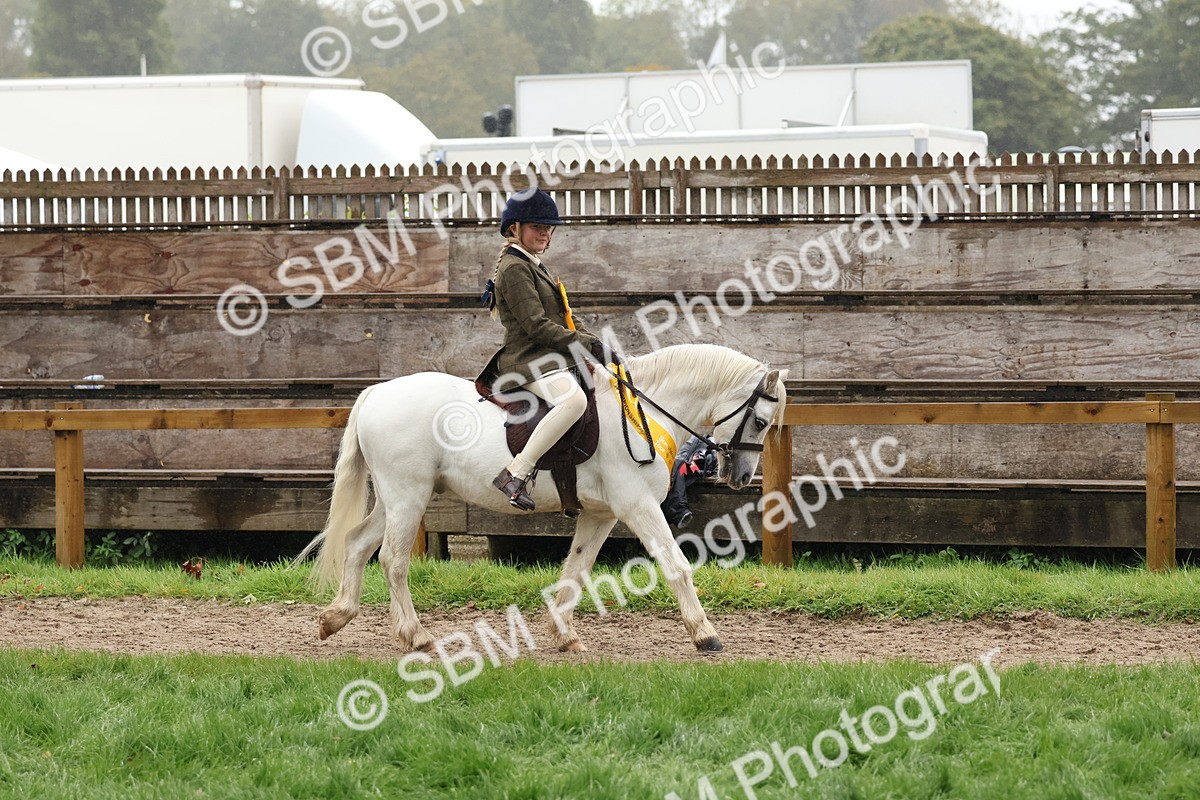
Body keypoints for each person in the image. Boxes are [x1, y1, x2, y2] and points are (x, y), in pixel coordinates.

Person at [479, 190, 606, 511]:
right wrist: (586, 344)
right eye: (537, 227)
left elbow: (564, 318)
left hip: (549, 356)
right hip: (527, 361)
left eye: (549, 228)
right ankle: (516, 472)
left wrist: (597, 343)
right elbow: (536, 326)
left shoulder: (535, 265)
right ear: (514, 228)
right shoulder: (514, 268)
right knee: (574, 400)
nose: (545, 234)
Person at [660, 435, 719, 529]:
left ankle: (677, 510)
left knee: (678, 462)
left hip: (697, 442)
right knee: (677, 464)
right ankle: (676, 510)